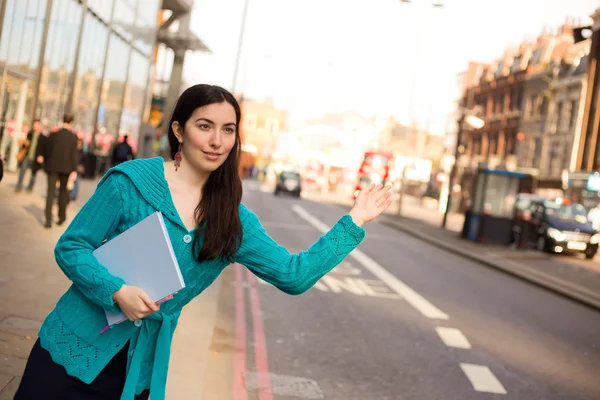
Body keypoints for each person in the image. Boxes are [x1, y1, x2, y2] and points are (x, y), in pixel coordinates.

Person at [14, 84, 392, 400]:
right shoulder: (129, 182)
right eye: (205, 126)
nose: (217, 141)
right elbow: (71, 247)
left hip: (136, 376)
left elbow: (293, 275)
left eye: (228, 130)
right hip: (67, 353)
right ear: (179, 130)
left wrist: (353, 221)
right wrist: (116, 291)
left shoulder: (232, 221)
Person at [43, 113, 78, 229]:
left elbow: (47, 151)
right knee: (63, 192)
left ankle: (48, 220)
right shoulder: (73, 137)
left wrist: (46, 164)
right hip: (66, 169)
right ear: (71, 122)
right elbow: (74, 154)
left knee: (50, 192)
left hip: (52, 167)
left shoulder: (53, 135)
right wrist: (74, 169)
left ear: (62, 121)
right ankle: (61, 216)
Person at [15, 119, 46, 193]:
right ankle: (19, 186)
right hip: (27, 156)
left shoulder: (43, 137)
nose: (35, 126)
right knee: (22, 171)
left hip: (36, 158)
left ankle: (30, 188)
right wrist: (25, 144)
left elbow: (44, 149)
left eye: (37, 125)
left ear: (40, 125)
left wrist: (42, 156)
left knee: (33, 174)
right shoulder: (30, 134)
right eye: (34, 124)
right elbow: (23, 145)